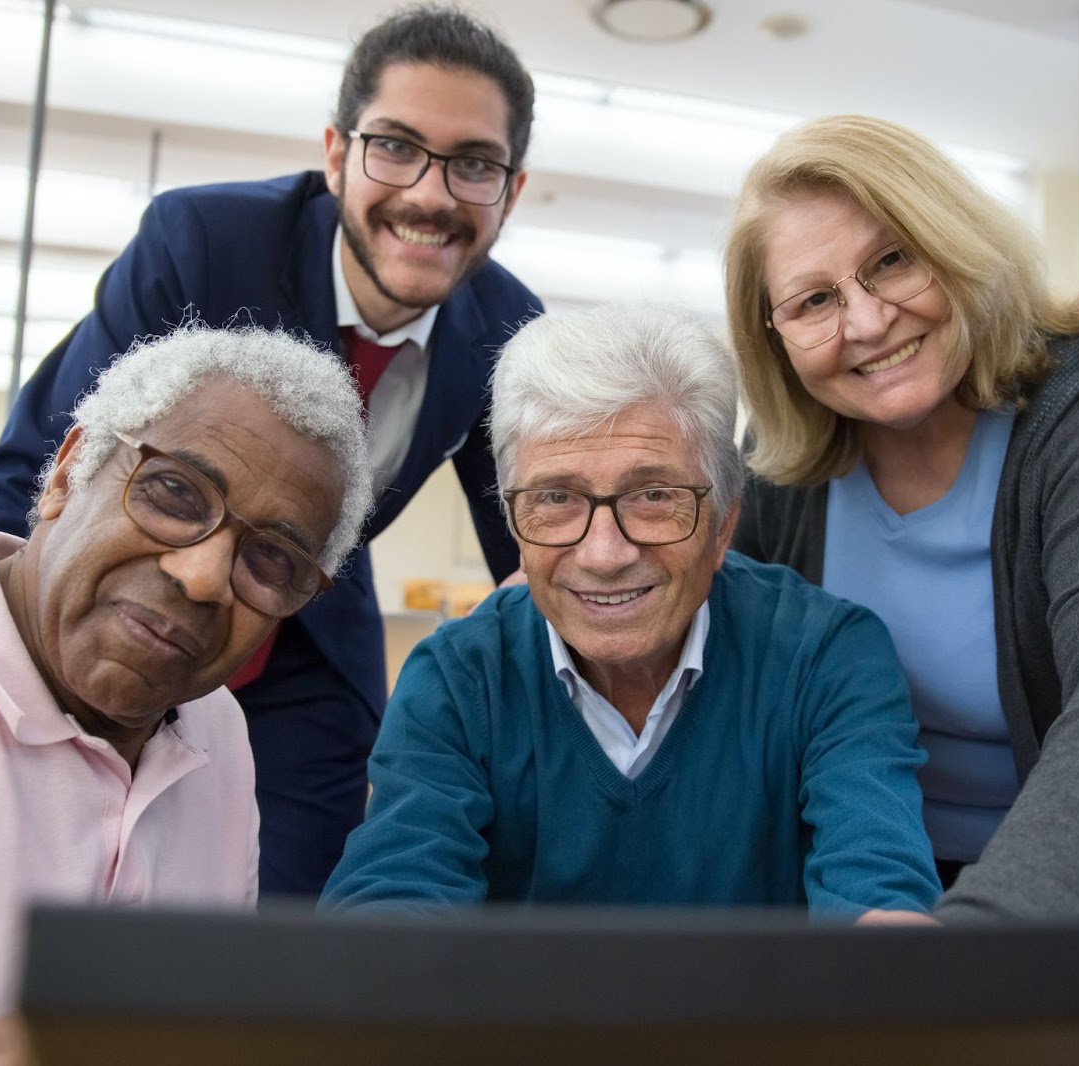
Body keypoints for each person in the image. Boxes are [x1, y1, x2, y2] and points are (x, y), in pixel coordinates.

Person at [0, 6, 543, 898]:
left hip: (299, 633)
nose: (431, 194)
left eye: (474, 165)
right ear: (337, 154)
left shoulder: (506, 332)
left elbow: (532, 543)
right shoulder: (206, 243)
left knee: (289, 908)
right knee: (25, 856)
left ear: (511, 190)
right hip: (132, 585)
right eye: (396, 148)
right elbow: (48, 456)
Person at [722, 115, 1079, 1037]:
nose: (866, 322)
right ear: (775, 336)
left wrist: (976, 958)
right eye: (814, 301)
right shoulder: (783, 473)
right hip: (872, 900)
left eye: (893, 261)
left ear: (956, 244)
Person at [0, 325, 373, 1065]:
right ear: (67, 473)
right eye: (175, 492)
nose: (202, 576)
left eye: (271, 557)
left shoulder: (218, 734)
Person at [320, 303, 940, 918]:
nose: (605, 553)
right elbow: (391, 899)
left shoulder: (829, 656)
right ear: (514, 523)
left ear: (724, 524)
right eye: (556, 498)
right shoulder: (459, 677)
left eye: (654, 495)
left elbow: (878, 890)